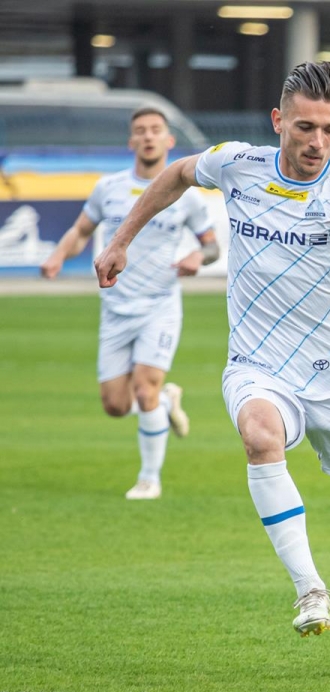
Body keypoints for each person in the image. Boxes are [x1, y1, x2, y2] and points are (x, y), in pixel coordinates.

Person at [93, 62, 330, 656]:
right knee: (259, 435)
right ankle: (310, 589)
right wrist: (121, 240)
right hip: (258, 364)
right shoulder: (237, 163)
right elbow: (177, 173)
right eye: (305, 127)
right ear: (279, 120)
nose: (317, 142)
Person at [40, 107, 220, 500]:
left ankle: (149, 479)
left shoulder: (185, 196)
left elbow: (212, 247)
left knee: (144, 388)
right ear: (131, 141)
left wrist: (197, 257)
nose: (148, 136)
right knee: (115, 405)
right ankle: (166, 401)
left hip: (160, 306)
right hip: (116, 308)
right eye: (141, 130)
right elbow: (81, 231)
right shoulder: (109, 188)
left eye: (156, 130)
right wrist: (58, 255)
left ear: (169, 140)